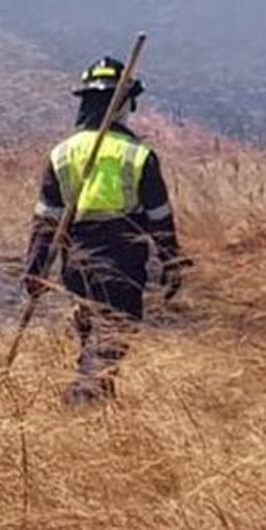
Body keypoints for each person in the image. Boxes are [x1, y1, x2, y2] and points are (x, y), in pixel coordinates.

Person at [23, 56, 189, 407]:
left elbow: (46, 220)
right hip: (122, 261)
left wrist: (35, 269)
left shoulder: (62, 154)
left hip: (76, 265)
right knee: (111, 339)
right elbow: (159, 217)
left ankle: (95, 411)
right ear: (123, 103)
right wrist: (171, 262)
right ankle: (83, 403)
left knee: (93, 340)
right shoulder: (138, 155)